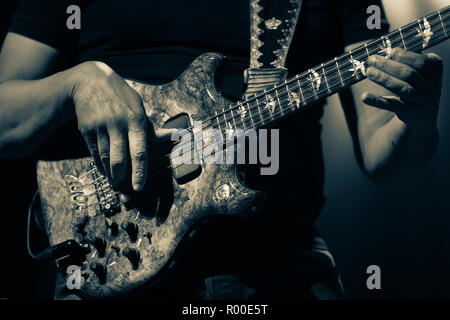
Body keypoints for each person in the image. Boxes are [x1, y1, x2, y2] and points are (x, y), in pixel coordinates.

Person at [0, 0, 443, 299]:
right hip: (114, 259)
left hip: (280, 269)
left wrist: (417, 119)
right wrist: (77, 84)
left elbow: (384, 157)